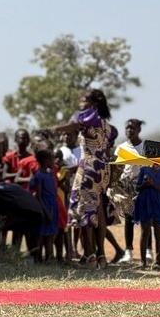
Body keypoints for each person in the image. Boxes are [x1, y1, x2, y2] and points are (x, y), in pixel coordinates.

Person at [54, 89, 117, 269]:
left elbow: (73, 126)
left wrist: (53, 129)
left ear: (93, 104)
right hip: (102, 170)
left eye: (83, 100)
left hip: (88, 168)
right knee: (99, 210)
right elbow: (107, 150)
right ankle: (101, 256)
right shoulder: (108, 127)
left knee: (84, 210)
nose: (80, 104)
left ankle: (89, 256)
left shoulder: (86, 118)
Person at [115, 118, 146, 263]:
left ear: (139, 130)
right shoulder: (121, 148)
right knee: (129, 219)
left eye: (132, 128)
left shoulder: (145, 147)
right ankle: (129, 251)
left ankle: (148, 251)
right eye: (127, 128)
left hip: (143, 185)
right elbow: (117, 168)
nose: (129, 130)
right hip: (127, 186)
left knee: (146, 219)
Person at [133, 163, 160, 270]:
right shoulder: (144, 169)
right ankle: (143, 262)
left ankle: (158, 262)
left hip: (158, 204)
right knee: (144, 231)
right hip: (145, 202)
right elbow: (137, 188)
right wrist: (145, 184)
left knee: (157, 231)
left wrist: (153, 184)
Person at [29, 149, 60, 263]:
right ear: (46, 161)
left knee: (51, 234)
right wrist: (45, 211)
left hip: (53, 206)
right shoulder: (39, 176)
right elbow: (39, 195)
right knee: (41, 234)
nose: (54, 162)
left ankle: (49, 257)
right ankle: (37, 258)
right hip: (44, 208)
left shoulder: (50, 174)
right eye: (52, 159)